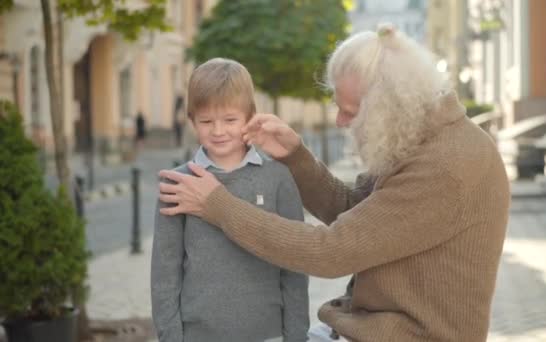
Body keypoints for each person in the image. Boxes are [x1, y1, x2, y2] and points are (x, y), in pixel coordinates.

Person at [157, 24, 510, 342]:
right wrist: (297, 159)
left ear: (388, 107)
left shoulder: (445, 166)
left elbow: (330, 251)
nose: (340, 122)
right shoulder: (418, 136)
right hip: (366, 326)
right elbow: (360, 214)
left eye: (350, 112)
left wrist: (219, 206)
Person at [151, 58, 309, 342]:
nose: (218, 130)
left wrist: (296, 335)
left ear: (250, 117)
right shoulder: (177, 184)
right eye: (206, 121)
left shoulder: (278, 179)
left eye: (230, 120)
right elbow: (164, 274)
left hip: (268, 334)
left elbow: (294, 265)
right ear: (191, 121)